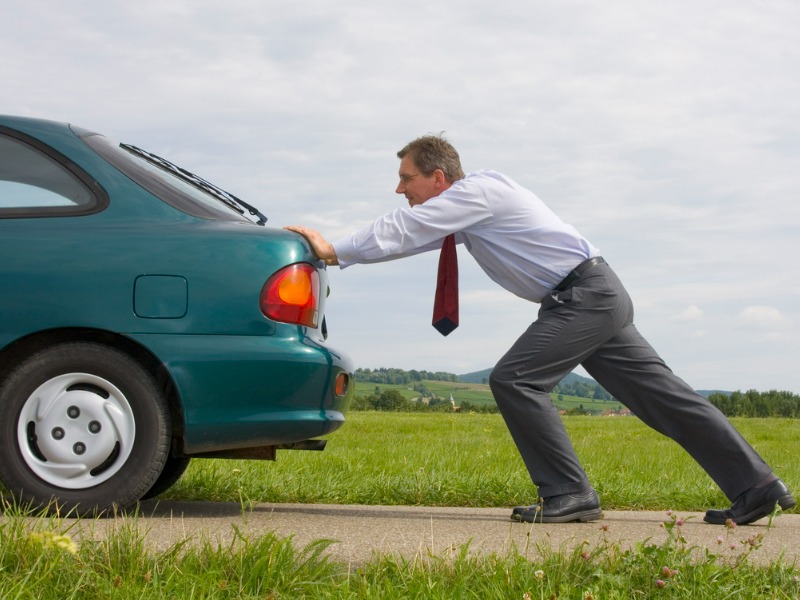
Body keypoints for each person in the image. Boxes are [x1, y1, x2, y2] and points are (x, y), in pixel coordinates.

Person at [285, 135, 796, 525]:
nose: (400, 189)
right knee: (666, 398)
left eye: (406, 178)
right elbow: (411, 240)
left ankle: (569, 494)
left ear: (438, 178)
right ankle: (757, 487)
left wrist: (335, 247)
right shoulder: (468, 209)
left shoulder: (479, 190)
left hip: (584, 297)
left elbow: (405, 227)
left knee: (515, 379)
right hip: (593, 295)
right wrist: (347, 256)